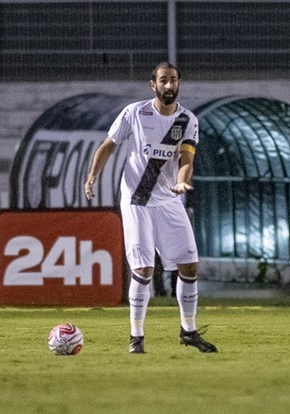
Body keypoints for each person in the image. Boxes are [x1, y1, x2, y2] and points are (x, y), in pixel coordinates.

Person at [84, 62, 217, 354]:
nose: (168, 86)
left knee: (190, 264)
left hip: (169, 198)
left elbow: (186, 159)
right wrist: (93, 174)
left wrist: (182, 182)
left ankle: (189, 332)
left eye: (173, 81)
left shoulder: (187, 120)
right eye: (163, 80)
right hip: (137, 199)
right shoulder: (134, 113)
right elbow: (108, 145)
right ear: (153, 85)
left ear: (179, 84)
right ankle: (136, 338)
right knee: (143, 269)